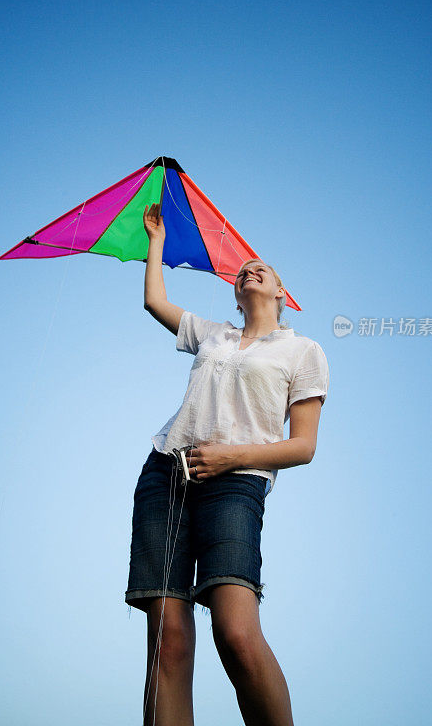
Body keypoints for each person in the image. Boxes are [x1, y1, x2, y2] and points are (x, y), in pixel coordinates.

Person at [126, 202, 329, 726]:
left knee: (235, 634)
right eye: (243, 270)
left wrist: (228, 458)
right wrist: (157, 239)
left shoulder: (302, 351)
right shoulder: (212, 334)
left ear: (281, 293)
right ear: (236, 294)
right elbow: (155, 301)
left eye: (264, 268)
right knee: (167, 641)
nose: (250, 269)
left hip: (236, 483)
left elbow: (302, 446)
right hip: (167, 473)